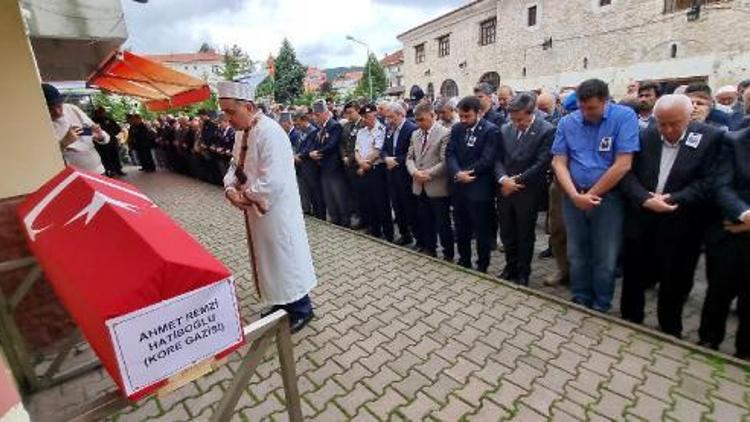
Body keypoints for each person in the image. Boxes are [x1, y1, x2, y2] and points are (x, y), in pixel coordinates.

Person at [619, 94, 722, 337]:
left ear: (688, 118)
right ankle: (630, 319)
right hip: (643, 218)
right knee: (634, 273)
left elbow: (709, 181)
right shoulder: (646, 135)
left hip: (682, 221)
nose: (667, 129)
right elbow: (625, 173)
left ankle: (669, 328)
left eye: (674, 123)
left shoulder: (710, 138)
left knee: (676, 278)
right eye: (662, 123)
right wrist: (645, 198)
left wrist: (672, 199)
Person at [218, 81, 316, 333]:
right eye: (224, 113)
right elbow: (233, 166)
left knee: (285, 257)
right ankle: (280, 303)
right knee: (267, 259)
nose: (227, 119)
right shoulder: (241, 132)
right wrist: (230, 189)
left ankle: (302, 308)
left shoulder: (271, 132)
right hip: (256, 211)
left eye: (230, 112)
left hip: (276, 212)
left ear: (248, 106)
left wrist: (245, 196)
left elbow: (274, 179)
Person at [551, 79, 639, 312]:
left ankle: (601, 304)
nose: (586, 113)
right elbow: (559, 163)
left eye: (591, 108)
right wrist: (574, 195)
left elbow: (623, 164)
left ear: (606, 101)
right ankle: (580, 297)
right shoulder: (568, 122)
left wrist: (590, 194)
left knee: (605, 256)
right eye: (582, 108)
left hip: (607, 199)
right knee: (577, 252)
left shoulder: (624, 117)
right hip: (573, 196)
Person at [699, 124, 750, 359]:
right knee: (718, 293)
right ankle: (709, 341)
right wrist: (745, 215)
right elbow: (721, 186)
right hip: (731, 231)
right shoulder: (734, 141)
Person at [494, 93, 555, 286]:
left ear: (531, 113)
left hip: (527, 191)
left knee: (525, 234)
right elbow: (497, 159)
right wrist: (504, 179)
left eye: (520, 119)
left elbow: (541, 163)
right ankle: (509, 267)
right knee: (507, 232)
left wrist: (517, 180)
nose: (516, 123)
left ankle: (523, 272)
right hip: (505, 190)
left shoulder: (546, 130)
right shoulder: (505, 128)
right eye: (512, 119)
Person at [446, 96, 500, 273]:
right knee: (461, 227)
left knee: (481, 229)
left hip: (479, 187)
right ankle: (464, 259)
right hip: (459, 186)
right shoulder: (456, 129)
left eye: (467, 116)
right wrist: (457, 173)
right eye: (460, 116)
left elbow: (487, 159)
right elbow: (450, 153)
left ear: (479, 113)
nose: (463, 120)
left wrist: (467, 173)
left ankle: (482, 264)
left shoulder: (490, 131)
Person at [406, 102, 454, 261]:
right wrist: (414, 172)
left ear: (433, 116)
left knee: (442, 222)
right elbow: (409, 157)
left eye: (422, 120)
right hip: (419, 185)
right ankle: (430, 248)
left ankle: (448, 253)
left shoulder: (445, 133)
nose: (419, 123)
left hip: (437, 186)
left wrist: (427, 173)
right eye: (417, 120)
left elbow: (445, 160)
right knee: (425, 220)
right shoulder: (415, 134)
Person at [42, 83, 110, 174]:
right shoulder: (41, 124)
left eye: (59, 106)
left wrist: (100, 136)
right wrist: (64, 143)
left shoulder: (71, 109)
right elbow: (46, 158)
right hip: (74, 175)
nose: (57, 112)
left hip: (99, 170)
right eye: (50, 109)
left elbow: (97, 134)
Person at [382, 102, 419, 246]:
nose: (389, 120)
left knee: (410, 208)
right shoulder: (389, 129)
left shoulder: (411, 129)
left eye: (391, 117)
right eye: (387, 118)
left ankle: (418, 238)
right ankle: (405, 235)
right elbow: (384, 147)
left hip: (405, 175)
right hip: (392, 175)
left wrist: (396, 160)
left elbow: (413, 153)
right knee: (397, 207)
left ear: (400, 115)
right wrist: (385, 158)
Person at [355, 103, 393, 241]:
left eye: (367, 116)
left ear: (374, 114)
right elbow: (357, 150)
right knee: (369, 201)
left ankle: (388, 233)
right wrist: (360, 163)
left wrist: (366, 164)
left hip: (377, 170)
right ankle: (375, 230)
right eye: (363, 117)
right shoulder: (361, 131)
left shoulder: (382, 129)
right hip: (364, 169)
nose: (365, 119)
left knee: (381, 202)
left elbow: (377, 151)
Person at [310, 100, 350, 227]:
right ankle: (334, 219)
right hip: (323, 167)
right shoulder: (321, 128)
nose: (315, 118)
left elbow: (332, 145)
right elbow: (317, 143)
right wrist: (314, 152)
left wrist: (318, 152)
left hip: (334, 167)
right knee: (329, 196)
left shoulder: (334, 126)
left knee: (339, 195)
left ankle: (344, 221)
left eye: (317, 115)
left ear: (324, 113)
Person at [294, 112, 326, 219]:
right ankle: (314, 212)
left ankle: (320, 215)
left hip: (310, 165)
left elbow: (310, 148)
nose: (297, 126)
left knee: (315, 191)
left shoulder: (312, 131)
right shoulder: (302, 132)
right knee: (309, 191)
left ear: (304, 121)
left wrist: (300, 155)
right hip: (302, 165)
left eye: (298, 124)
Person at [340, 100, 366, 230]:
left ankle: (363, 218)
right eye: (347, 113)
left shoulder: (363, 125)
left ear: (357, 110)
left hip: (358, 164)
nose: (348, 115)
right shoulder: (346, 126)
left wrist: (349, 158)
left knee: (360, 194)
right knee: (351, 193)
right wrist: (343, 156)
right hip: (347, 166)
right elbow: (342, 143)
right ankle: (356, 216)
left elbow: (359, 146)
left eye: (351, 112)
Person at [91, 106, 125, 177]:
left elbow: (118, 128)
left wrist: (111, 134)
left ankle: (117, 170)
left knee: (114, 156)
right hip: (101, 143)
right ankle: (111, 170)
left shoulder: (108, 119)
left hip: (111, 141)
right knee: (106, 157)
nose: (102, 113)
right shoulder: (92, 121)